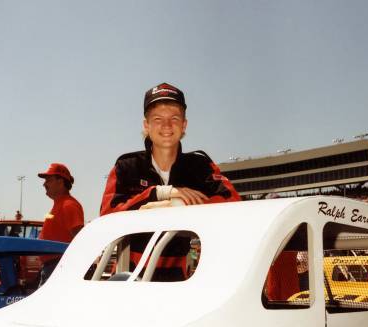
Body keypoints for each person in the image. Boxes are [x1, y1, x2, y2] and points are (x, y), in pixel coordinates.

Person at [100, 82, 240, 280]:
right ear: (146, 125)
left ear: (184, 125)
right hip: (129, 278)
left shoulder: (200, 166)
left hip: (180, 281)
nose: (166, 126)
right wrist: (158, 193)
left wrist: (181, 206)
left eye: (174, 118)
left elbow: (233, 202)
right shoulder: (126, 167)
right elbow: (106, 217)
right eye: (157, 119)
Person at [37, 163, 85, 283]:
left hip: (57, 267)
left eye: (48, 179)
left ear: (61, 181)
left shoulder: (69, 205)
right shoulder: (60, 204)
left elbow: (79, 239)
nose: (44, 184)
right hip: (53, 267)